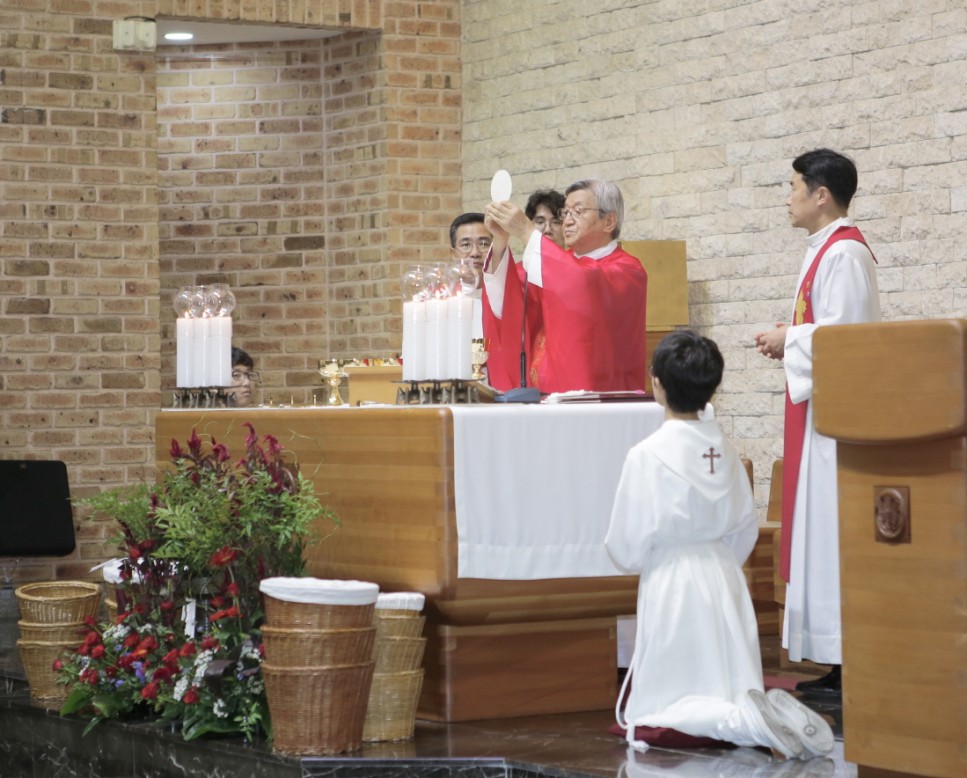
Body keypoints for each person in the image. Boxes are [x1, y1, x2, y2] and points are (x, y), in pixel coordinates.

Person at [605, 330, 834, 760]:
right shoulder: (725, 450)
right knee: (728, 681)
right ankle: (754, 713)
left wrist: (646, 559)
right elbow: (746, 525)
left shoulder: (646, 454)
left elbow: (626, 542)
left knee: (667, 706)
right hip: (724, 575)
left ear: (657, 383)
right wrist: (721, 560)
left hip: (673, 578)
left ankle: (745, 722)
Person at [754, 148, 881, 698]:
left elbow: (848, 339)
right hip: (817, 415)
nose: (788, 198)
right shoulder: (824, 249)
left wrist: (790, 338)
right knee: (817, 534)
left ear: (820, 194)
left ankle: (849, 661)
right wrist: (792, 338)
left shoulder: (845, 253)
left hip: (836, 423)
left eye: (793, 187)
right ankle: (833, 660)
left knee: (831, 534)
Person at [482, 178, 647, 394]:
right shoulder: (555, 266)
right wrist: (500, 242)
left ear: (609, 221)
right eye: (566, 212)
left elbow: (581, 281)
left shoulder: (627, 271)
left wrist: (525, 231)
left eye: (578, 212)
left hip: (599, 396)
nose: (568, 221)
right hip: (541, 396)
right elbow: (510, 299)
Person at [449, 212, 492, 339]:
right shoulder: (440, 300)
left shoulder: (507, 298)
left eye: (483, 244)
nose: (475, 253)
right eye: (466, 245)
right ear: (453, 254)